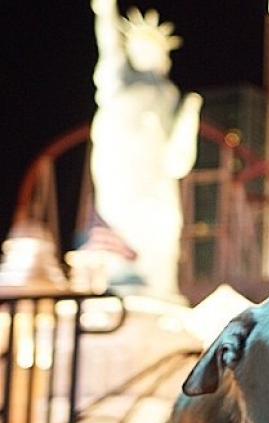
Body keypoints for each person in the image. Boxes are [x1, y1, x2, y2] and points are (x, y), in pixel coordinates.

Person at [87, 0, 202, 300]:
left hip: (157, 176)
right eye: (139, 46)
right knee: (123, 225)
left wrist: (190, 114)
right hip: (123, 172)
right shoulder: (118, 83)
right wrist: (106, 11)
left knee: (162, 227)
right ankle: (122, 282)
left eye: (153, 48)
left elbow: (178, 152)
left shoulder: (168, 92)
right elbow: (110, 45)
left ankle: (160, 286)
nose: (146, 53)